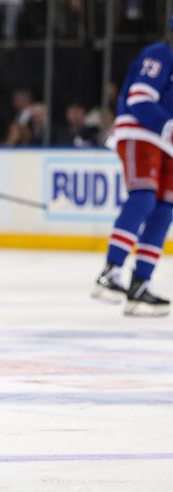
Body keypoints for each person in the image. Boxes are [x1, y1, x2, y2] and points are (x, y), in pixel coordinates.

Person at [92, 14, 173, 317]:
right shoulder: (160, 54)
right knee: (144, 196)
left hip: (166, 142)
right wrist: (168, 126)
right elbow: (140, 98)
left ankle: (140, 285)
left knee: (165, 208)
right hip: (140, 132)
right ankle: (110, 272)